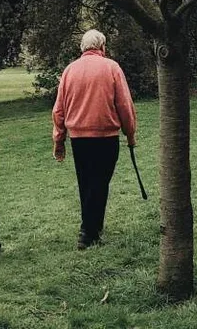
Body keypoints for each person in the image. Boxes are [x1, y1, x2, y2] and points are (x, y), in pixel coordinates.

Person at [52, 29, 137, 250]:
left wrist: (59, 140)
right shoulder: (112, 68)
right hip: (105, 137)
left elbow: (59, 110)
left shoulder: (70, 70)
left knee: (86, 182)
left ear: (82, 47)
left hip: (79, 138)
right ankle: (88, 231)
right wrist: (130, 133)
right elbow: (125, 106)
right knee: (100, 183)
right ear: (103, 47)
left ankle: (91, 228)